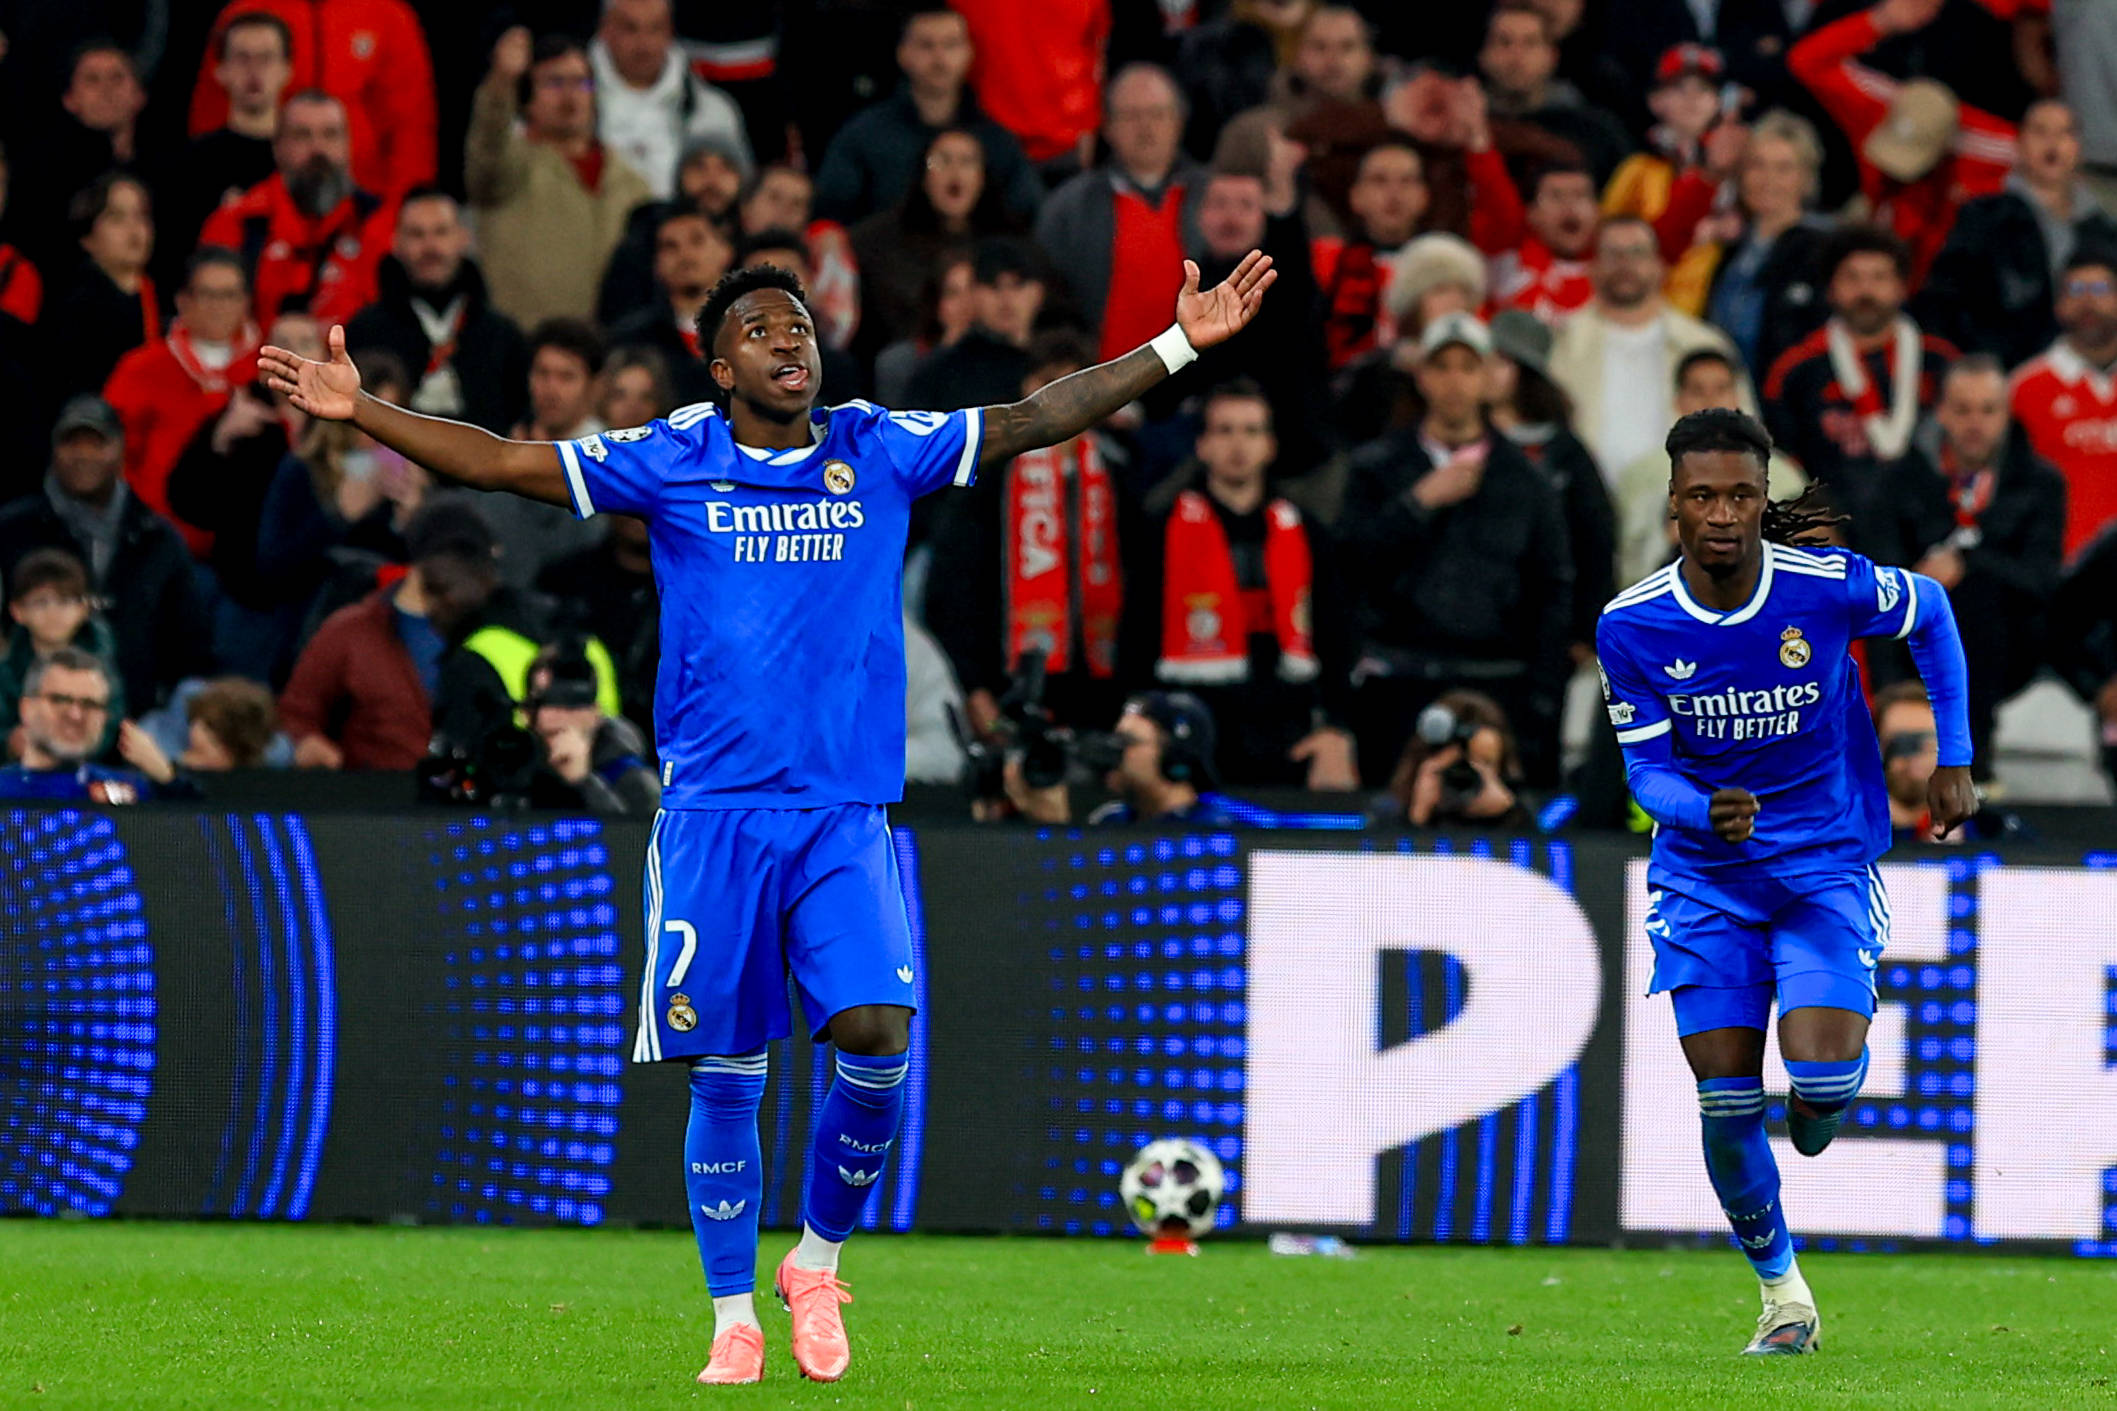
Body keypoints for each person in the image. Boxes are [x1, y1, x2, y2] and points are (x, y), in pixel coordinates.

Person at [258, 231, 1273, 1387]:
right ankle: (731, 1313)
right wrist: (362, 410)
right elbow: (498, 461)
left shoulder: (875, 446)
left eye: (797, 323)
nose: (787, 339)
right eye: (758, 329)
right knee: (727, 1071)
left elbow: (1036, 415)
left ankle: (816, 1263)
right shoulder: (672, 457)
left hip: (842, 817)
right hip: (713, 819)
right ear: (721, 369)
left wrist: (1177, 343)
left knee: (878, 1037)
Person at [1594, 407, 1975, 1357]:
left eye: (1740, 495)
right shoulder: (1631, 624)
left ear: (1764, 500)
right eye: (1702, 496)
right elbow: (1645, 774)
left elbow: (1931, 609)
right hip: (1704, 881)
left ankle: (1817, 1104)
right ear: (1673, 503)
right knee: (1725, 1101)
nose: (1722, 513)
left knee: (1819, 1083)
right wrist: (1699, 810)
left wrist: (1954, 755)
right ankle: (1782, 1297)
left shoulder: (1824, 585)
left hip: (1822, 865)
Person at [1337, 313, 1574, 787]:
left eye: (1468, 367)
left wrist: (1542, 701)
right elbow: (1345, 568)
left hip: (1498, 686)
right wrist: (1416, 504)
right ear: (1421, 376)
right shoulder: (1375, 469)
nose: (1454, 381)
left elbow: (1553, 589)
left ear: (1488, 378)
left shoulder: (1527, 481)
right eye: (1441, 366)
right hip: (1396, 687)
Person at [1130, 380, 1357, 789]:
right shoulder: (1161, 529)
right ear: (1202, 445)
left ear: (1270, 445)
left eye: (1252, 431)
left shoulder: (1305, 530)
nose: (1238, 445)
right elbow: (1138, 632)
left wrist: (1336, 728)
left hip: (1286, 729)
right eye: (1225, 430)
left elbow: (1335, 633)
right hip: (1192, 725)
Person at [1879, 357, 2066, 775]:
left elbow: (2041, 580)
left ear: (2007, 414)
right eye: (1962, 410)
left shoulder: (2041, 483)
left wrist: (1968, 562)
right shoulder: (1898, 481)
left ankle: (1968, 760)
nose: (1975, 424)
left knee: (1974, 595)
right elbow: (1879, 574)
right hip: (1911, 636)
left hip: (2012, 640)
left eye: (1988, 410)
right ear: (1941, 412)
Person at [0, 397, 210, 717]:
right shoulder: (12, 530)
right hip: (28, 713)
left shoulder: (158, 538)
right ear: (54, 450)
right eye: (72, 444)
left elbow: (190, 643)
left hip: (139, 717)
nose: (84, 455)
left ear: (120, 449)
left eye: (97, 444)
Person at [1786, 0, 2015, 287]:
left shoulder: (1994, 148)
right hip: (1872, 257)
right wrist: (1879, 21)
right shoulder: (1876, 107)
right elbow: (1805, 61)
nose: (1895, 169)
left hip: (1950, 277)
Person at [1763, 227, 1957, 554]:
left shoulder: (1941, 362)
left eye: (1879, 277)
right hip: (1833, 543)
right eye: (1852, 278)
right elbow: (1781, 466)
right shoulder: (1794, 372)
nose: (1865, 290)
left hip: (1935, 540)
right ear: (1830, 289)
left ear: (1902, 287)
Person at [466, 29, 655, 330]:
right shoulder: (508, 168)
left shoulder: (632, 184)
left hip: (612, 346)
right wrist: (501, 83)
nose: (570, 95)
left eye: (581, 82)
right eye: (554, 82)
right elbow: (487, 147)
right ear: (526, 100)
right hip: (527, 345)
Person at [1549, 217, 1750, 482]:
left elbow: (1746, 437)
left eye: (1637, 252)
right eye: (1613, 254)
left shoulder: (1704, 344)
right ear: (1593, 268)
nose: (1625, 263)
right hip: (1585, 498)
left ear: (1660, 266)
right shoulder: (1563, 344)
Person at [1920, 100, 2117, 368]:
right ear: (2020, 144)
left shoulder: (2102, 226)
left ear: (2079, 146)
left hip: (2094, 372)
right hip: (2003, 369)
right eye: (2040, 131)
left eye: (2064, 133)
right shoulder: (1983, 217)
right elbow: (1944, 302)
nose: (2052, 143)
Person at [812, 4, 1043, 227]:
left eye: (951, 45)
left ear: (969, 53)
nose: (939, 58)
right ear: (903, 53)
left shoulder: (996, 140)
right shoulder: (865, 136)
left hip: (976, 251)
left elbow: (1028, 212)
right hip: (884, 250)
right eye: (926, 45)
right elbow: (829, 212)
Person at [1035, 65, 1208, 361]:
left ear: (1179, 121)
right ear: (1108, 126)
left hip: (1202, 373)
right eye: (1131, 116)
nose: (1145, 127)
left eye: (1157, 114)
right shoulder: (1069, 207)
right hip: (1102, 374)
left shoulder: (1214, 195)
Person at [185, 0, 437, 201]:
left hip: (361, 200)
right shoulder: (248, 13)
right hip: (263, 194)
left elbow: (411, 127)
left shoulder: (386, 15)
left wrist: (400, 209)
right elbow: (213, 116)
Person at [101, 249, 260, 557]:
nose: (219, 306)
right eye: (208, 295)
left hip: (245, 550)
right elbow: (114, 454)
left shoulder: (267, 370)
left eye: (229, 295)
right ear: (183, 300)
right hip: (155, 542)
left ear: (245, 302)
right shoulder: (142, 369)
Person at [197, 90, 397, 327]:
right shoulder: (236, 222)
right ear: (277, 147)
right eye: (303, 135)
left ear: (348, 145)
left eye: (330, 135)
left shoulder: (380, 223)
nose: (318, 148)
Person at [1484, 310, 1615, 663]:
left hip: (1547, 631)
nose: (1487, 371)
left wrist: (1586, 629)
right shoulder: (1464, 443)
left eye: (1501, 361)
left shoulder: (1565, 453)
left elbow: (1595, 542)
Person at [1615, 348, 1810, 586]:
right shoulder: (1639, 476)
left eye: (1721, 389)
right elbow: (1627, 563)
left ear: (1737, 397)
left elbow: (1803, 555)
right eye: (1697, 391)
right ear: (1678, 400)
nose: (1710, 401)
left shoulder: (1783, 474)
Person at [343, 189, 529, 434]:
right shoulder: (364, 332)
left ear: (463, 238)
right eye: (417, 234)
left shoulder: (503, 335)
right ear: (396, 242)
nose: (430, 247)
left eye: (441, 232)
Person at [849, 128, 1020, 366]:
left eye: (967, 161)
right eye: (941, 161)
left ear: (983, 178)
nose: (955, 172)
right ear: (923, 177)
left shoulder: (1010, 240)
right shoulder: (876, 241)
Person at [1686, 110, 1834, 383]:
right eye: (1757, 165)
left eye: (1783, 168)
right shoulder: (1728, 248)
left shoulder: (1826, 251)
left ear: (1806, 178)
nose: (1768, 179)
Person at [161, 13, 292, 282]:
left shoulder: (302, 163)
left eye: (266, 58)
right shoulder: (189, 165)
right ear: (220, 71)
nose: (254, 71)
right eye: (242, 58)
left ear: (287, 70)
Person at [2010, 247, 2117, 557]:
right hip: (2057, 566)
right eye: (2077, 290)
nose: (2088, 301)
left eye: (2100, 289)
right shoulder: (2024, 389)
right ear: (2059, 304)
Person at [1000, 690, 1239, 826]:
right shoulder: (1111, 821)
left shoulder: (1223, 826)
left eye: (1127, 742)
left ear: (1176, 759)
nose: (1113, 751)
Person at [591, 0, 751, 203]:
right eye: (630, 28)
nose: (644, 44)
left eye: (655, 28)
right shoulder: (573, 106)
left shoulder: (712, 110)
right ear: (605, 30)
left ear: (670, 32)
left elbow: (737, 191)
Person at [0, 649, 194, 803]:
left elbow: (202, 834)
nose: (75, 715)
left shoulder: (132, 793)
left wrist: (169, 780)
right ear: (26, 709)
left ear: (105, 717)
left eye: (90, 704)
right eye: (60, 700)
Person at [40, 174, 158, 419]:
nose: (134, 229)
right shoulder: (75, 309)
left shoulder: (168, 300)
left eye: (141, 215)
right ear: (87, 237)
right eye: (117, 218)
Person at [1477, 0, 1632, 186]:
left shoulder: (1595, 132)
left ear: (1552, 56)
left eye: (1530, 43)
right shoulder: (1461, 128)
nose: (1516, 57)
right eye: (1504, 42)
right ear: (1483, 55)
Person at [0, 548, 124, 758]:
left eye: (65, 601)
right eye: (41, 602)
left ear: (84, 608)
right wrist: (9, 743)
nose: (53, 613)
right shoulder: (7, 672)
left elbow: (111, 726)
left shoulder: (103, 668)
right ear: (17, 611)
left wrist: (67, 743)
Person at [609, 209, 737, 408]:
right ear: (656, 264)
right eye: (670, 246)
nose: (685, 255)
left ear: (725, 251)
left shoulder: (755, 331)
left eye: (697, 241)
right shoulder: (632, 339)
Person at [522, 640, 660, 815]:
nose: (560, 714)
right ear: (527, 713)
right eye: (546, 702)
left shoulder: (633, 779)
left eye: (573, 703)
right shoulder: (509, 766)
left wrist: (584, 782)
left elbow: (643, 831)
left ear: (595, 714)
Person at [1384, 688, 1533, 830]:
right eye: (1452, 765)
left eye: (1485, 762)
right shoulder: (1384, 813)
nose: (1464, 774)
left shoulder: (1526, 817)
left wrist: (1510, 816)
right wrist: (1417, 816)